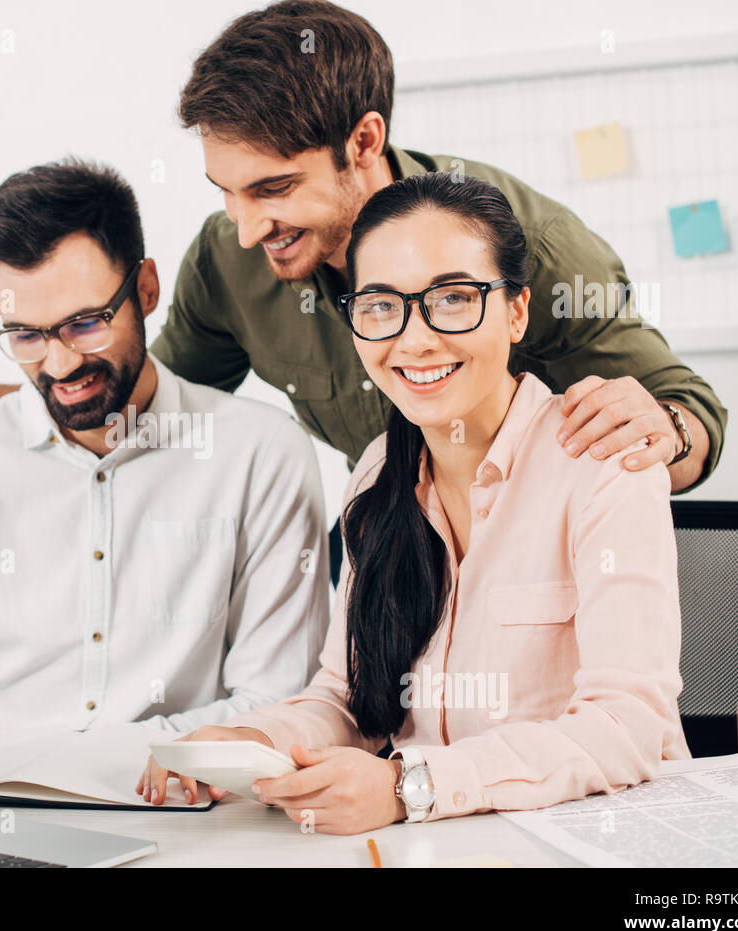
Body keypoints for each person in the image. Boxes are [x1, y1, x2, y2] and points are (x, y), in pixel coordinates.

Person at [0, 1, 726, 517]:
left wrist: (666, 430)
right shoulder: (232, 258)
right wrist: (17, 392)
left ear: (364, 142)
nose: (246, 229)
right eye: (226, 192)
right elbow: (161, 403)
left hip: (543, 579)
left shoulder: (528, 247)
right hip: (390, 569)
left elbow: (690, 411)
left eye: (273, 190)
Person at [135, 172, 689, 830]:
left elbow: (625, 724)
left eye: (454, 298)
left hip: (602, 839)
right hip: (443, 845)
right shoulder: (377, 475)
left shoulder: (602, 460)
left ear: (516, 310)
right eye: (380, 306)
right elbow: (346, 702)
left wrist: (411, 785)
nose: (416, 338)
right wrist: (254, 738)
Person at [0, 159, 330, 773]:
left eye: (85, 324)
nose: (59, 366)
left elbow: (275, 705)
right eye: (25, 336)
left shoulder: (261, 455)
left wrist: (73, 757)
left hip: (174, 804)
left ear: (145, 290)